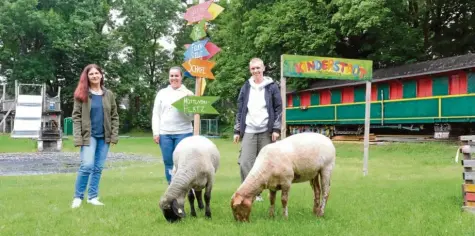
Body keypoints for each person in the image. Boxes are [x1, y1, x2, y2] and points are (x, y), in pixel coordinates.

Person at [233, 57, 283, 201]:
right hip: (249, 129)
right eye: (253, 68)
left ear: (263, 68)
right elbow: (240, 109)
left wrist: (276, 129)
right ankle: (248, 192)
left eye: (258, 68)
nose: (255, 71)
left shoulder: (271, 86)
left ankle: (263, 192)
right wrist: (237, 131)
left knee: (266, 163)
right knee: (244, 162)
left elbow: (278, 108)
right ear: (250, 70)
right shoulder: (246, 87)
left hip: (266, 131)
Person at [71, 64, 119, 208]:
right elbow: (76, 117)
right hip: (88, 136)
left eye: (97, 73)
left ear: (101, 75)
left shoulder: (108, 94)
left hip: (104, 137)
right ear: (87, 77)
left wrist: (114, 135)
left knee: (98, 168)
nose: (94, 76)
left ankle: (92, 197)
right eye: (91, 74)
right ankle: (78, 197)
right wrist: (78, 137)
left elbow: (114, 116)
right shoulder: (81, 94)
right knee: (87, 166)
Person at [152, 66, 194, 184]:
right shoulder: (162, 93)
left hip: (184, 133)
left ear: (181, 77)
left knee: (183, 162)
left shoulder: (188, 93)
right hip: (165, 134)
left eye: (176, 76)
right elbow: (156, 113)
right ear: (169, 77)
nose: (174, 78)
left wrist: (184, 109)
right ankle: (171, 188)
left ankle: (183, 187)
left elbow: (192, 117)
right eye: (171, 76)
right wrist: (156, 132)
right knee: (168, 162)